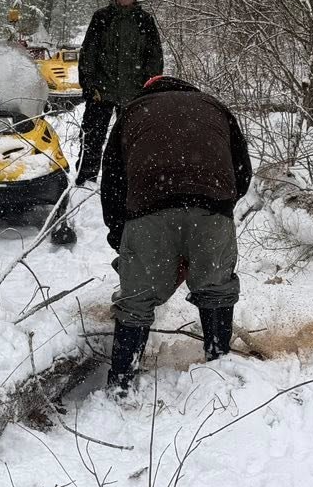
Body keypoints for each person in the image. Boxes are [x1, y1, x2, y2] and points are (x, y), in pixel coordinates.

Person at [99, 74, 253, 392]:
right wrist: (217, 209)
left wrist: (121, 235)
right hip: (211, 210)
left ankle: (121, 385)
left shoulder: (132, 112)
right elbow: (243, 171)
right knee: (216, 290)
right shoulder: (215, 107)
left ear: (148, 91)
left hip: (149, 211)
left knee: (136, 300)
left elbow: (112, 182)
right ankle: (219, 366)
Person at [74, 0, 163, 186]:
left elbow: (154, 57)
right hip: (101, 92)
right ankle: (86, 181)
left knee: (132, 141)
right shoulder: (101, 18)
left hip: (134, 94)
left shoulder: (145, 20)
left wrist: (150, 88)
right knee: (92, 138)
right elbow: (88, 54)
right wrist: (89, 85)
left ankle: (129, 182)